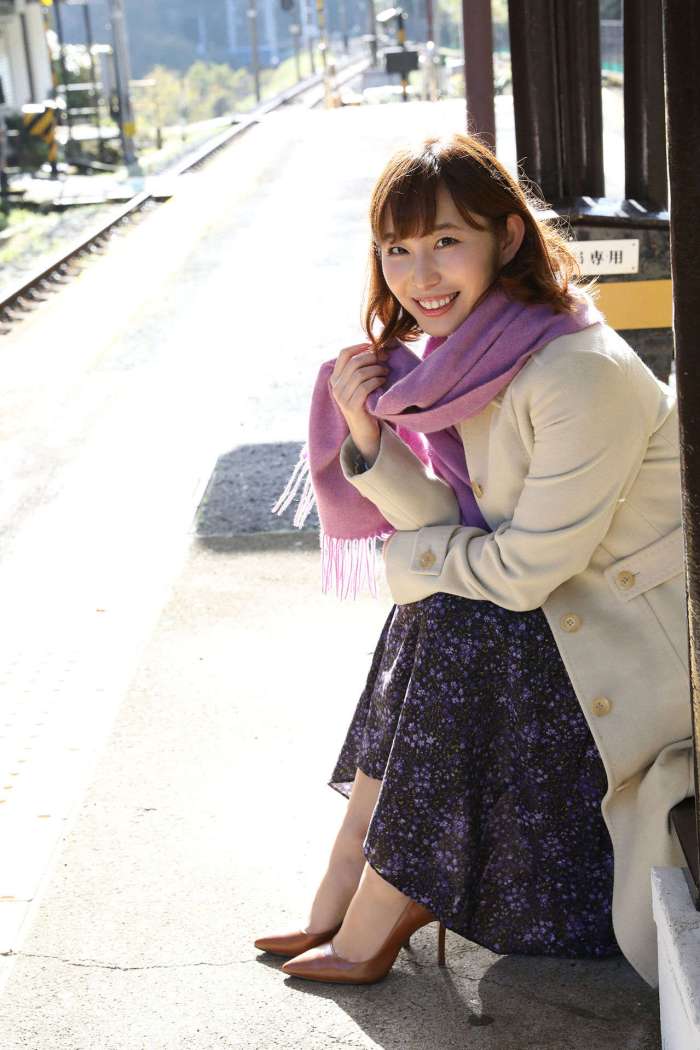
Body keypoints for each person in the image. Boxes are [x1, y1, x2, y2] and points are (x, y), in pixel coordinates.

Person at [255, 132, 692, 988]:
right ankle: (354, 871)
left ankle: (382, 896)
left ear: (508, 237)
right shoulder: (475, 360)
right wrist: (369, 437)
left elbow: (520, 572)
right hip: (566, 628)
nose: (419, 275)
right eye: (397, 249)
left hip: (630, 653)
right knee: (444, 604)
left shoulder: (576, 372)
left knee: (460, 616)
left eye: (446, 241)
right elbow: (456, 528)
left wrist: (411, 561)